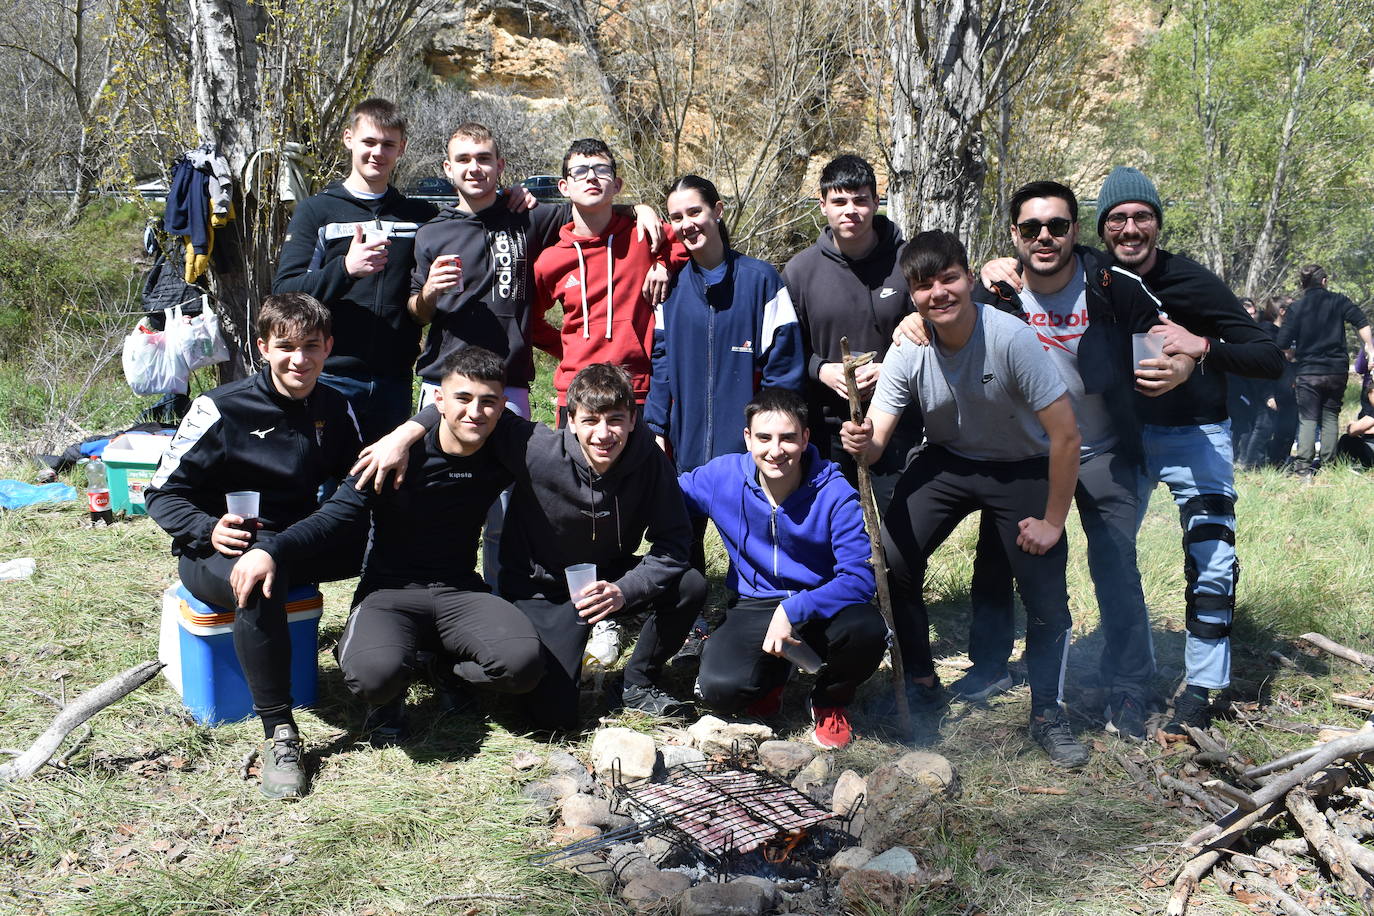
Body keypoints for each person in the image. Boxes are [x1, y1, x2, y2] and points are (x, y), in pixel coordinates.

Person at [897, 181, 1195, 738]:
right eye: (1031, 228)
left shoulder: (1111, 285)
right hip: (1026, 456)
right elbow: (942, 309)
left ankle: (1129, 686)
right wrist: (911, 322)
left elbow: (1166, 338)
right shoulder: (998, 294)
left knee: (1113, 560)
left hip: (1101, 449)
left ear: (1074, 231)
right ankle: (989, 667)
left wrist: (1179, 364)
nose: (1045, 237)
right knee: (1000, 555)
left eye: (1057, 226)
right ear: (1014, 235)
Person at [842, 230, 1089, 768]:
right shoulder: (909, 346)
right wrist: (862, 442)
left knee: (1045, 593)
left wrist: (1052, 521)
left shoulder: (1012, 338)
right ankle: (923, 683)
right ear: (911, 294)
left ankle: (1049, 713)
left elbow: (1066, 436)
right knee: (892, 561)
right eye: (924, 286)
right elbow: (878, 437)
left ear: (969, 279)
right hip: (950, 458)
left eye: (949, 279)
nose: (939, 294)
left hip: (1022, 465)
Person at [227, 348, 545, 747]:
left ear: (502, 406)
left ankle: (445, 670)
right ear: (439, 401)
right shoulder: (391, 456)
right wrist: (270, 549)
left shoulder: (502, 448)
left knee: (523, 667)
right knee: (374, 676)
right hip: (389, 591)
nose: (475, 412)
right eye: (463, 398)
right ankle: (387, 696)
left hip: (460, 589)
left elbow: (567, 447)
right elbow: (334, 517)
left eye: (488, 402)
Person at [363, 363, 706, 732]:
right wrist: (403, 434)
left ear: (632, 419)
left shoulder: (650, 461)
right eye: (590, 420)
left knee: (690, 584)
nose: (604, 434)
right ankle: (450, 664)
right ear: (570, 420)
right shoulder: (536, 448)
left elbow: (673, 543)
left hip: (607, 577)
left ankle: (638, 682)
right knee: (551, 720)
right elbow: (466, 407)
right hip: (542, 588)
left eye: (615, 420)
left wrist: (625, 590)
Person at [406, 122, 661, 595]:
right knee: (436, 492)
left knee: (512, 499)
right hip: (446, 381)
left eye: (484, 158)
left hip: (512, 383)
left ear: (501, 167)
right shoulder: (431, 232)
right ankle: (434, 590)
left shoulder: (528, 217)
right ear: (447, 169)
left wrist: (642, 209)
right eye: (463, 160)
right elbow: (415, 312)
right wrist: (429, 293)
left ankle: (504, 596)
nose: (474, 167)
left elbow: (593, 204)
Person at [145, 293, 366, 799]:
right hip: (221, 545)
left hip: (289, 538)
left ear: (328, 347)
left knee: (390, 536)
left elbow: (357, 483)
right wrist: (206, 528)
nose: (300, 359)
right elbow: (161, 492)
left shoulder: (336, 406)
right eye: (285, 346)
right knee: (259, 581)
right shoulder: (219, 408)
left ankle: (394, 660)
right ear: (263, 347)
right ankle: (280, 730)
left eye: (312, 346)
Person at [1093, 166, 1283, 734]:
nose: (1130, 228)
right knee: (1111, 558)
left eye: (1141, 217)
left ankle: (1203, 686)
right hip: (1120, 441)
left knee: (1212, 557)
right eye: (1118, 218)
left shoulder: (1190, 281)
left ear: (1157, 224)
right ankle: (1130, 679)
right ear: (1103, 229)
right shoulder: (1091, 275)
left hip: (1194, 433)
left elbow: (1269, 357)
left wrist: (1201, 346)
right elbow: (1031, 270)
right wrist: (1000, 268)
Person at [645, 173, 806, 665]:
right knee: (680, 542)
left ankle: (750, 624)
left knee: (753, 547)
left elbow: (785, 368)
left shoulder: (761, 280)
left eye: (695, 212)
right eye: (676, 217)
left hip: (749, 451)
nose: (687, 224)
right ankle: (688, 631)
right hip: (688, 441)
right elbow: (664, 363)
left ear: (716, 210)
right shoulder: (670, 288)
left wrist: (770, 439)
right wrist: (655, 427)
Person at [680, 388, 886, 749]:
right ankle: (774, 675)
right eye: (764, 437)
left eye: (788, 438)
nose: (775, 451)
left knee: (867, 630)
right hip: (754, 602)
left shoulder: (835, 492)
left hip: (822, 603)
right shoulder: (721, 477)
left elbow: (859, 579)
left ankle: (829, 699)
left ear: (806, 438)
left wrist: (793, 609)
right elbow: (664, 494)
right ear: (747, 438)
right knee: (719, 690)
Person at [272, 98, 437, 443]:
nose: (378, 152)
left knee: (383, 482)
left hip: (395, 377)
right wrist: (345, 269)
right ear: (349, 139)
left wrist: (515, 198)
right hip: (330, 375)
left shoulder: (419, 215)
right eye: (369, 142)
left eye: (388, 144)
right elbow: (285, 293)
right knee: (324, 484)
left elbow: (472, 215)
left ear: (401, 148)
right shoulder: (316, 211)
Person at [783, 155, 922, 512]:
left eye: (861, 200)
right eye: (839, 201)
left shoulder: (907, 263)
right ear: (823, 205)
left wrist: (891, 368)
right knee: (833, 523)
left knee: (901, 531)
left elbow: (932, 330)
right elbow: (788, 348)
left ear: (876, 202)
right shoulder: (800, 271)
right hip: (826, 423)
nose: (851, 210)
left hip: (896, 422)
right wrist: (821, 370)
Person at [531, 139, 683, 420]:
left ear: (616, 185)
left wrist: (664, 265)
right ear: (564, 187)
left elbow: (686, 245)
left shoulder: (642, 235)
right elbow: (531, 322)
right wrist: (567, 350)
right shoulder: (551, 260)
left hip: (636, 390)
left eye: (602, 169)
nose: (591, 176)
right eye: (579, 171)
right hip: (576, 392)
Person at [1276, 264, 1373, 479]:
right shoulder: (1338, 301)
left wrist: (1293, 353)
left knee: (1308, 418)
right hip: (1336, 370)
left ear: (1303, 285)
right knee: (1330, 415)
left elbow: (1282, 343)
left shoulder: (1297, 308)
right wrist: (1370, 348)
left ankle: (1303, 468)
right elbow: (1361, 321)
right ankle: (1329, 465)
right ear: (1324, 281)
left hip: (1309, 371)